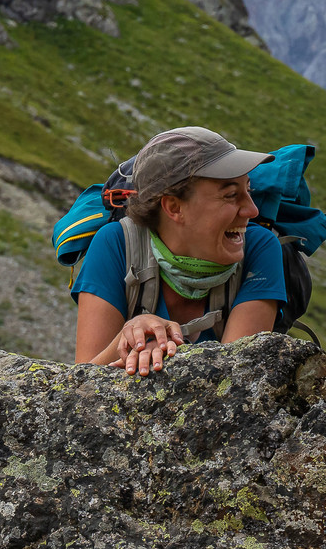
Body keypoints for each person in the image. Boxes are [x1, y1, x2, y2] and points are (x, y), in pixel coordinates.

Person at [73, 127, 287, 375]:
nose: (252, 211)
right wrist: (132, 338)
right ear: (174, 207)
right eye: (231, 195)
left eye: (248, 191)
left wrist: (167, 351)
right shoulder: (116, 243)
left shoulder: (260, 247)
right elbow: (81, 382)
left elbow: (238, 376)